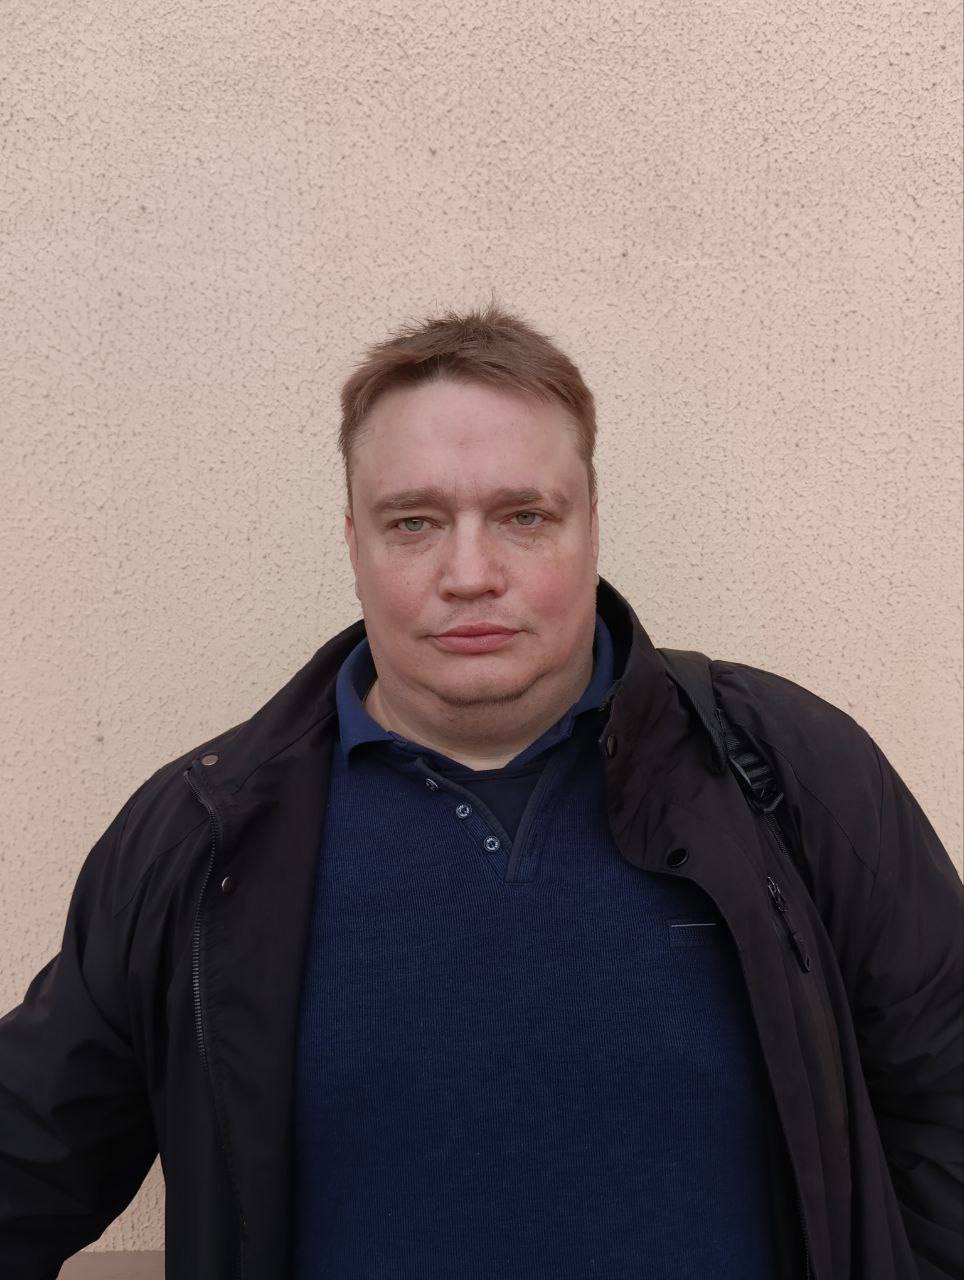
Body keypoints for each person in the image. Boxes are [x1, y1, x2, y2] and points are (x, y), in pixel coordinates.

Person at [0, 304, 961, 1280]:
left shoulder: (781, 770)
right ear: (354, 542)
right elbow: (31, 1154)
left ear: (591, 527)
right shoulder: (205, 836)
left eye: (523, 516)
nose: (469, 574)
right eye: (413, 522)